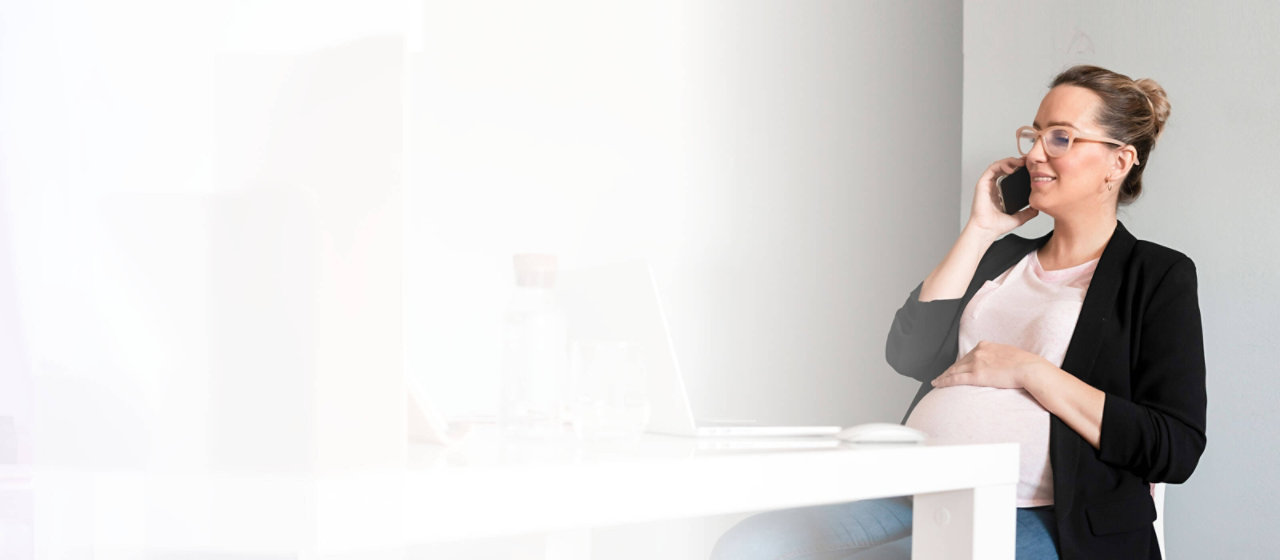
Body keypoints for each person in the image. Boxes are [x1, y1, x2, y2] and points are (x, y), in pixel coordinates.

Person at [711, 65, 1206, 560]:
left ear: (1118, 162)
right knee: (750, 544)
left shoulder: (1157, 275)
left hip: (1048, 512)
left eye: (1061, 138)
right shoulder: (1000, 257)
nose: (1034, 153)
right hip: (916, 486)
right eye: (1034, 135)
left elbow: (1175, 447)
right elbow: (909, 352)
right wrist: (980, 230)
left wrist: (1030, 371)